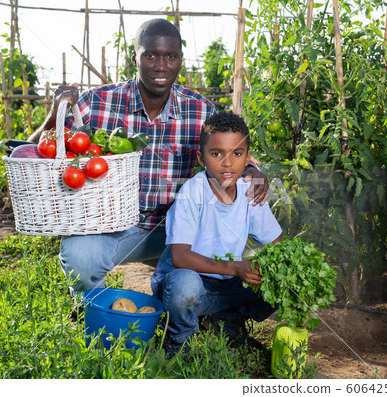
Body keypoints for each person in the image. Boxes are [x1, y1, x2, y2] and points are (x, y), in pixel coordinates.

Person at [29, 18, 270, 297]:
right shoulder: (97, 102)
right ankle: (91, 306)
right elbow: (36, 152)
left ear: (180, 59)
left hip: (175, 228)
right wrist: (55, 111)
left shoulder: (199, 109)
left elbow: (230, 146)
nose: (161, 66)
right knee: (82, 256)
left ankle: (202, 310)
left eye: (171, 56)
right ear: (135, 57)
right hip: (111, 226)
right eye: (151, 55)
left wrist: (252, 169)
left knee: (210, 251)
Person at [152, 112, 282, 357]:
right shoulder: (193, 191)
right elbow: (180, 257)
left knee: (277, 275)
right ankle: (179, 337)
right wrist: (236, 268)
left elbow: (277, 245)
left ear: (248, 160)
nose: (227, 163)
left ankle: (226, 321)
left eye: (237, 153)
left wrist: (280, 274)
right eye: (216, 154)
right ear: (202, 158)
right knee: (184, 285)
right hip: (188, 286)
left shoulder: (251, 191)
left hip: (226, 289)